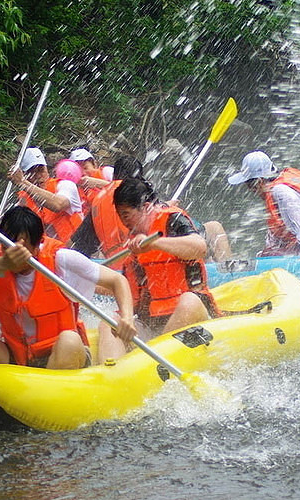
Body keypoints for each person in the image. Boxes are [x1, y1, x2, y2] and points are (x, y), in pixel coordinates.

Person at [0, 206, 135, 369]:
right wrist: (1, 264)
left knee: (69, 341)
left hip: (64, 352)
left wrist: (127, 317)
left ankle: (46, 398)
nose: (15, 256)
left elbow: (117, 281)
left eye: (23, 250)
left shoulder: (62, 259)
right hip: (18, 356)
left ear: (38, 246)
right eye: (9, 248)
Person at [98, 177, 220, 362]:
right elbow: (126, 289)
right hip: (154, 324)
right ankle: (111, 375)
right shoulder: (134, 241)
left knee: (189, 301)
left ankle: (156, 362)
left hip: (193, 313)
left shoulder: (173, 220)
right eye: (121, 216)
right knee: (109, 320)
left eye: (126, 215)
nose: (124, 222)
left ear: (146, 207)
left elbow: (199, 247)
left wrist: (155, 244)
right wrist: (85, 282)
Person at [69, 155, 232, 263]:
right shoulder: (143, 198)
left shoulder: (98, 204)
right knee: (214, 227)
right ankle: (227, 269)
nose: (124, 221)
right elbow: (157, 219)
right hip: (150, 262)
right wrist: (167, 206)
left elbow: (80, 247)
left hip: (118, 268)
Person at [7, 147, 83, 244]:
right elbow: (10, 230)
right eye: (32, 172)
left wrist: (22, 183)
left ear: (47, 169)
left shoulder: (66, 185)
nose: (38, 176)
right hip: (48, 254)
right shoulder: (23, 203)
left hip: (77, 250)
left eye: (41, 170)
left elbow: (57, 205)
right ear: (25, 174)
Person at [70, 148, 114, 213]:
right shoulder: (76, 192)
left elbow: (123, 189)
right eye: (78, 170)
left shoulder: (107, 172)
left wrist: (98, 183)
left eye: (85, 168)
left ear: (94, 165)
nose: (83, 173)